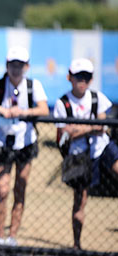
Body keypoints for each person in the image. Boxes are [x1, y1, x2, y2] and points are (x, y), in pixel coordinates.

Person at [0, 46, 49, 246]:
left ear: (26, 66)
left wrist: (23, 112)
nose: (15, 69)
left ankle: (12, 237)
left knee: (20, 188)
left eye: (19, 65)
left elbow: (43, 109)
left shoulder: (33, 85)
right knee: (2, 189)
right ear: (7, 65)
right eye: (12, 64)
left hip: (25, 143)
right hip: (3, 142)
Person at [53, 58, 118, 250]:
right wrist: (90, 127)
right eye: (78, 76)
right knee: (80, 201)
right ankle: (77, 245)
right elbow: (64, 134)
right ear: (69, 77)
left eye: (86, 77)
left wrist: (78, 128)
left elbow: (102, 126)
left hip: (102, 148)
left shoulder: (97, 98)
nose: (82, 81)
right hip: (79, 155)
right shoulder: (62, 103)